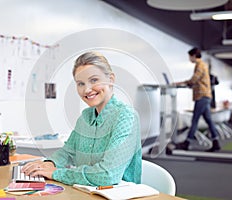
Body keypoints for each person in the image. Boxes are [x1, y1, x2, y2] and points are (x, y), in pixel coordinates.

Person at [21, 51, 142, 186]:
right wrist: (49, 164)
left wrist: (55, 173)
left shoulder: (126, 117)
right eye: (80, 83)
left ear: (111, 79)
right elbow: (68, 152)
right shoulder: (85, 117)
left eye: (94, 80)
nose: (87, 90)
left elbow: (108, 175)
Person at [175, 47, 220, 152]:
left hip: (202, 97)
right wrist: (189, 84)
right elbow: (198, 81)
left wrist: (180, 83)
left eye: (190, 57)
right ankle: (216, 142)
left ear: (194, 55)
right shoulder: (203, 65)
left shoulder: (200, 65)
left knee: (195, 120)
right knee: (209, 120)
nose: (189, 59)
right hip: (205, 96)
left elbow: (194, 79)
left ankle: (187, 142)